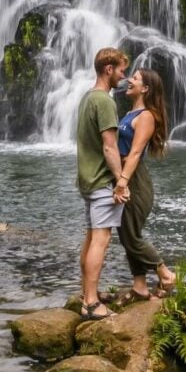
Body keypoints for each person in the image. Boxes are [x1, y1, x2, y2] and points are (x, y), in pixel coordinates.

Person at [76, 47, 130, 320]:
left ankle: (85, 295)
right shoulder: (106, 102)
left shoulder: (87, 98)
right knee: (101, 239)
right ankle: (92, 303)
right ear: (108, 69)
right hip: (100, 180)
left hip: (86, 177)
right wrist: (121, 181)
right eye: (121, 70)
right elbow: (109, 147)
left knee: (90, 236)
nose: (124, 76)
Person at [115, 68, 176, 301]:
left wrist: (122, 181)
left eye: (135, 78)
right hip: (127, 176)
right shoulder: (132, 112)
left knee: (131, 237)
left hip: (135, 180)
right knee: (127, 235)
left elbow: (136, 151)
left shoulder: (147, 116)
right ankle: (139, 286)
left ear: (145, 88)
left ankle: (166, 273)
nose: (129, 80)